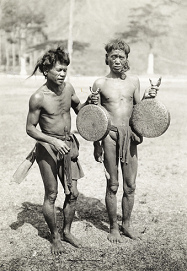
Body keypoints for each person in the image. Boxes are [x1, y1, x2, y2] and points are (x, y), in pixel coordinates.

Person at [90, 39, 159, 243]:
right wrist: (96, 145)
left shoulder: (133, 82)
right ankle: (113, 227)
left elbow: (138, 108)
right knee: (112, 185)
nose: (117, 60)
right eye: (113, 57)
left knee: (130, 185)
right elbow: (93, 115)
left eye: (121, 57)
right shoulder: (100, 83)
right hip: (109, 136)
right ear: (107, 59)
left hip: (129, 136)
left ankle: (126, 224)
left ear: (126, 59)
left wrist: (149, 97)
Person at [26, 46, 90, 255]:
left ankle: (67, 232)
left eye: (65, 70)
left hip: (68, 145)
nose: (63, 74)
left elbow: (80, 110)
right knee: (52, 194)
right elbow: (30, 129)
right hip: (47, 149)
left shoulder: (69, 89)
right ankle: (54, 237)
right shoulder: (38, 97)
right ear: (46, 71)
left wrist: (92, 103)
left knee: (73, 193)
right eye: (59, 70)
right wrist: (52, 141)